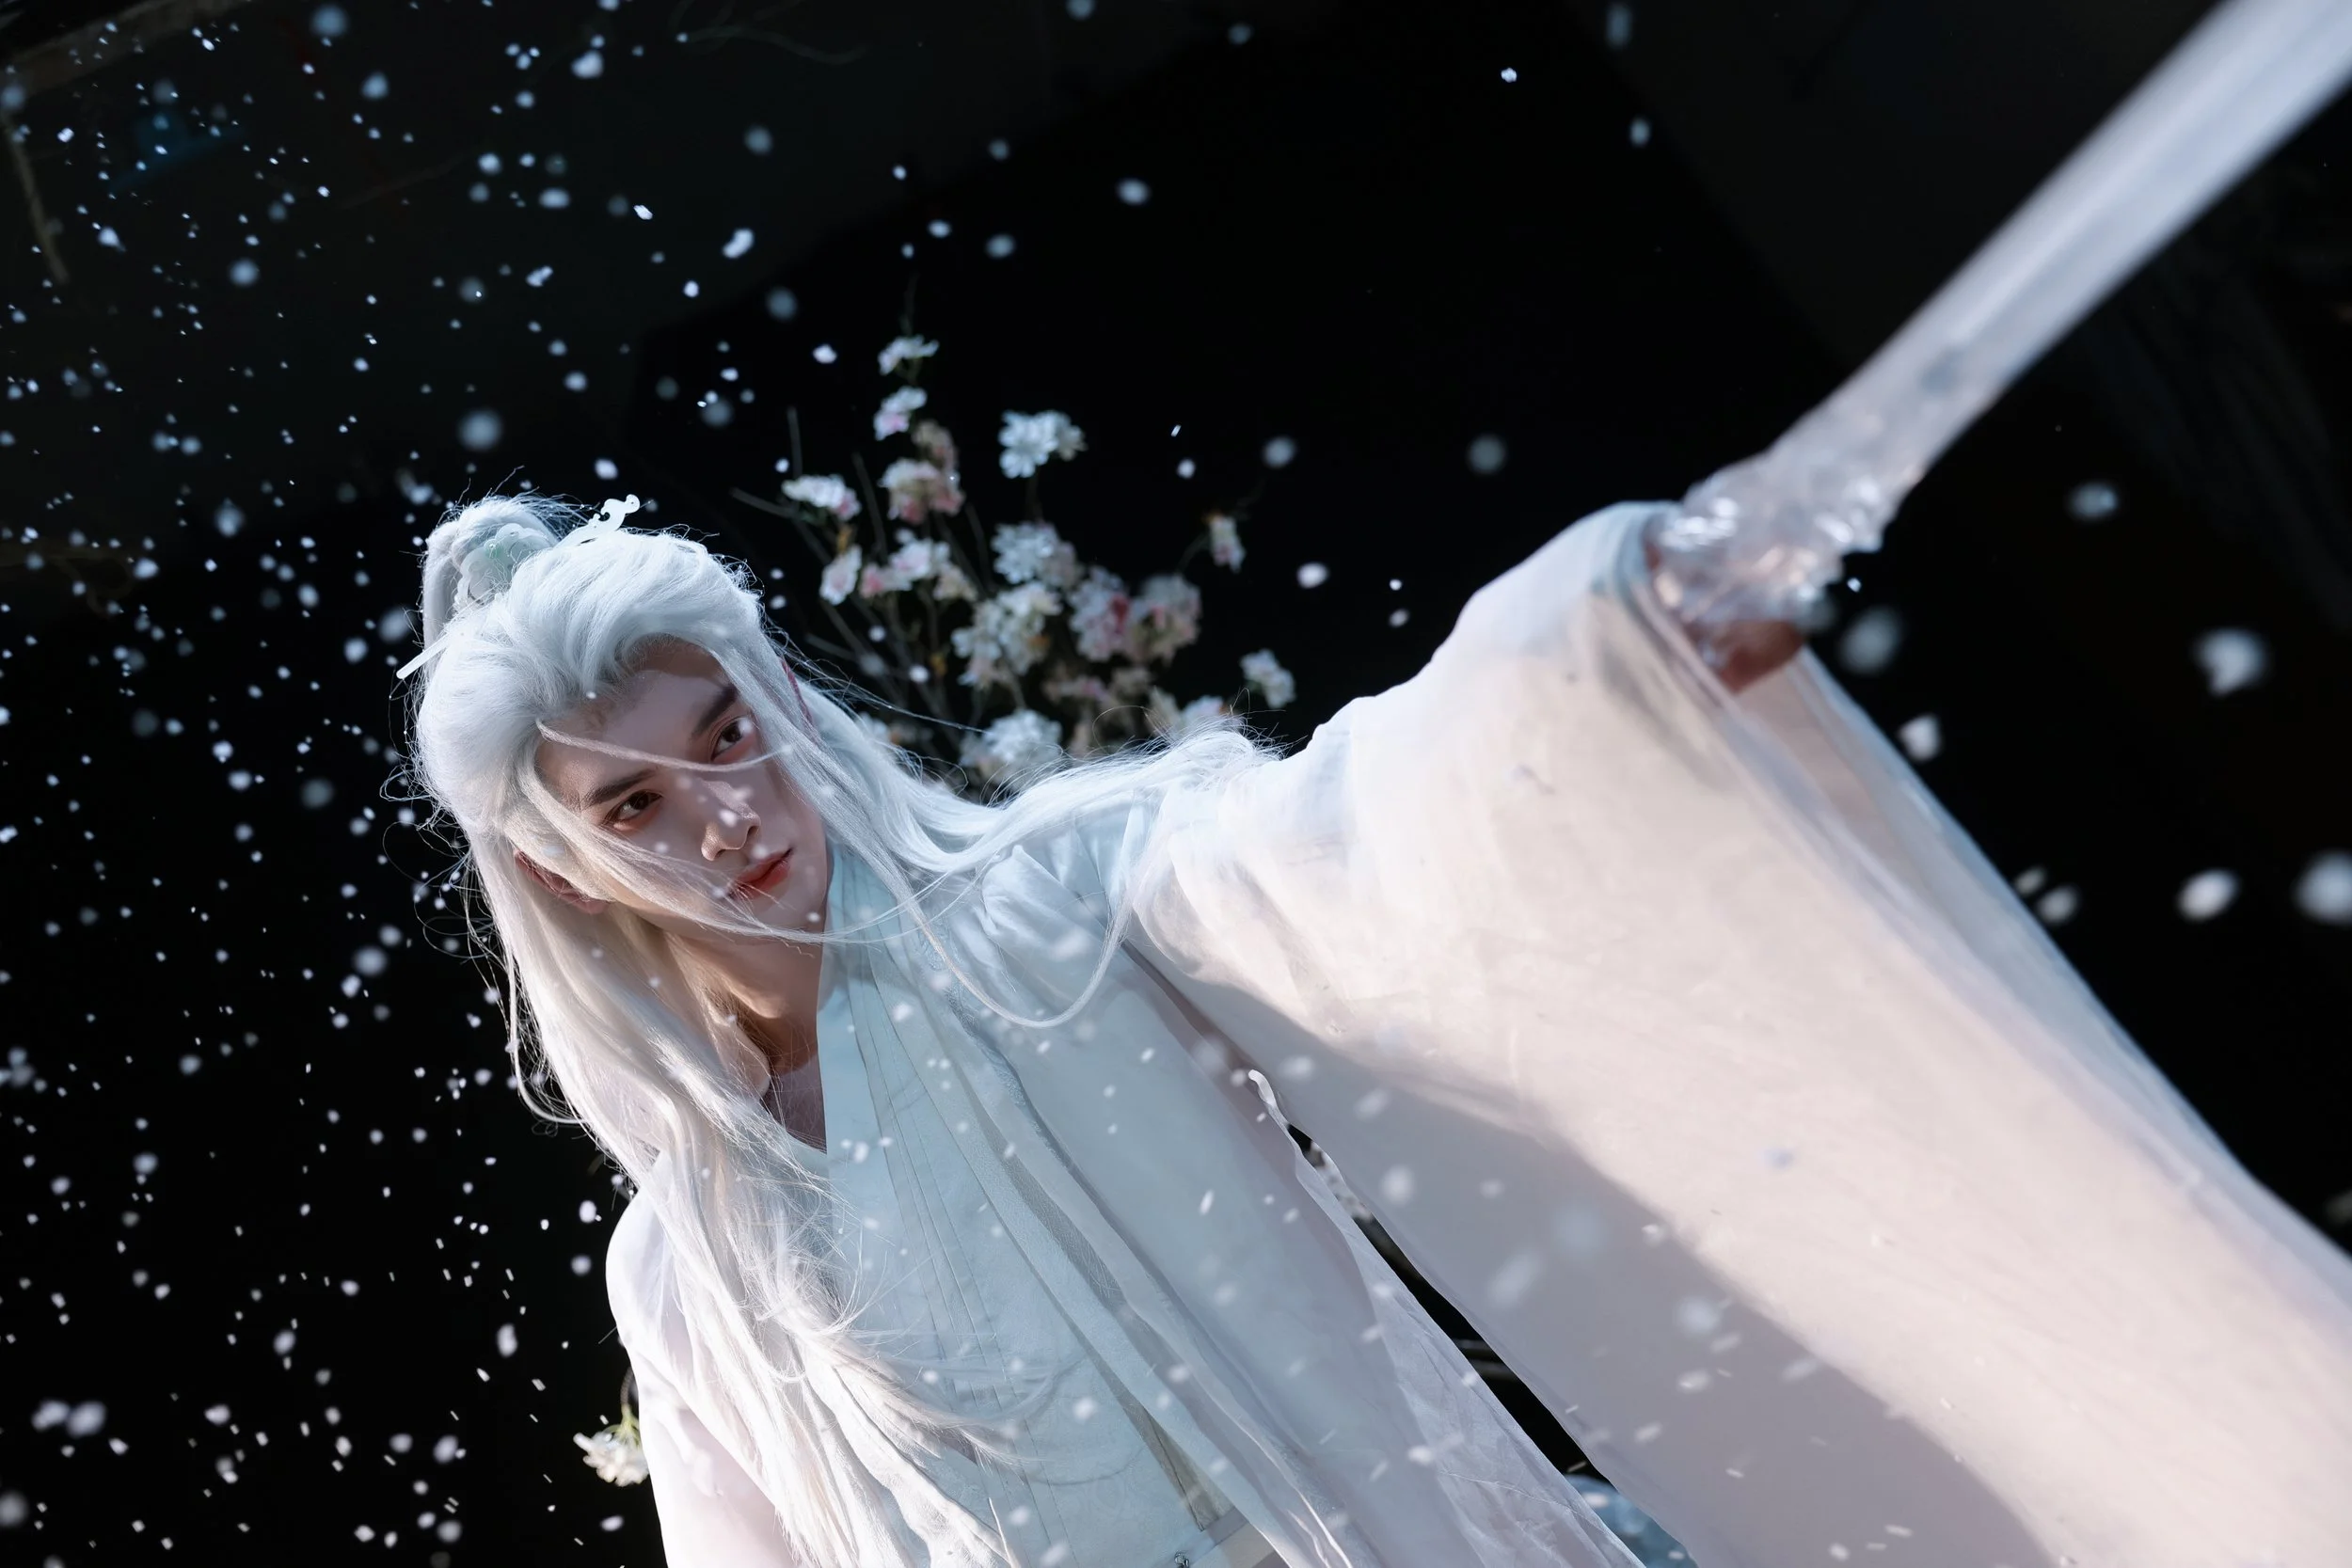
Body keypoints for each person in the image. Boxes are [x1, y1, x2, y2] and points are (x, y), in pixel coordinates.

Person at [404, 490, 2352, 1568]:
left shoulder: (1063, 903)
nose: (723, 816)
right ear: (562, 867)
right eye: (634, 804)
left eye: (722, 736)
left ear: (772, 697)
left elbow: (1353, 834)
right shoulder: (691, 1263)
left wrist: (1604, 661)